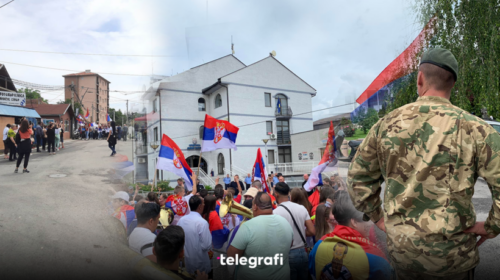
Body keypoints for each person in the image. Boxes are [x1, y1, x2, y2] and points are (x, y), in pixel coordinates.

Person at [348, 48, 500, 279]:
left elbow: (358, 179)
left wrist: (377, 217)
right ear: (452, 84)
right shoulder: (476, 129)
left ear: (420, 78)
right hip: (455, 257)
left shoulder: (385, 125)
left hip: (405, 255)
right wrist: (491, 226)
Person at [309, 191, 393, 280]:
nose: (371, 223)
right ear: (354, 222)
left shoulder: (318, 245)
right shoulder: (375, 257)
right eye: (367, 218)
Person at [227, 192, 293, 280]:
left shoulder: (247, 226)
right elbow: (290, 244)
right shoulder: (285, 222)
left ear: (254, 207)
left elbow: (231, 257)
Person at [273, 182, 315, 280]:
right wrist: (299, 232)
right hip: (303, 252)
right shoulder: (302, 208)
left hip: (287, 254)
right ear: (288, 193)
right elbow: (312, 231)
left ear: (276, 194)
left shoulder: (275, 213)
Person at [178, 195, 212, 275]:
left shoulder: (181, 220)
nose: (204, 206)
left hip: (186, 262)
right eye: (203, 204)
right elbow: (206, 245)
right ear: (200, 206)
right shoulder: (202, 223)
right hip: (200, 264)